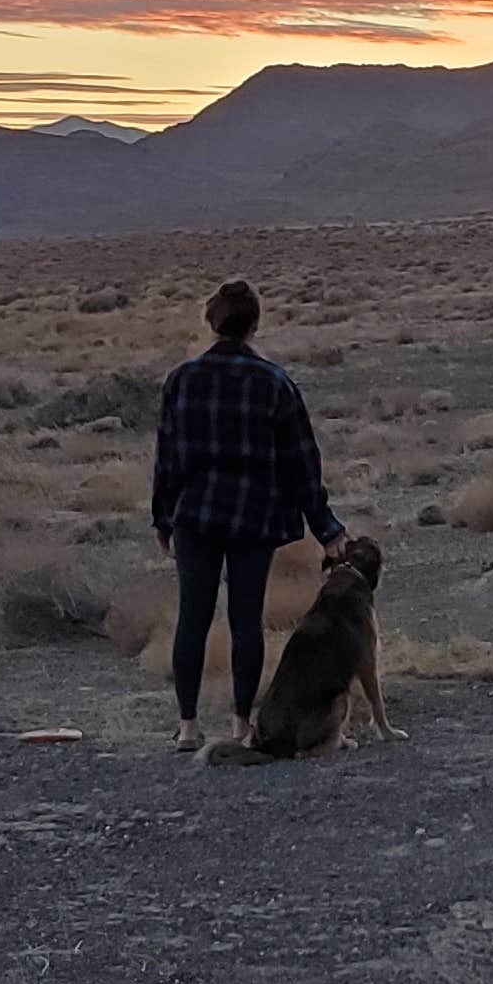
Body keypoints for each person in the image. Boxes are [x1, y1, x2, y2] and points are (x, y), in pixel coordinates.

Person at [149, 280, 350, 753]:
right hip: (253, 518)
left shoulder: (183, 379)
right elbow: (302, 463)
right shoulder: (274, 383)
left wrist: (163, 517)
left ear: (212, 321)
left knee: (193, 618)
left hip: (196, 516)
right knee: (246, 621)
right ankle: (241, 724)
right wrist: (326, 528)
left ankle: (188, 726)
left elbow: (168, 457)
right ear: (254, 324)